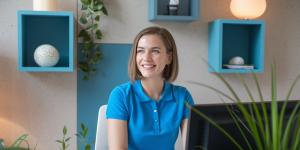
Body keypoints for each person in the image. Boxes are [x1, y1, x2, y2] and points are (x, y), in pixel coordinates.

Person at [106, 26, 194, 150]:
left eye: (155, 51)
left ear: (169, 57)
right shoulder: (121, 95)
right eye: (141, 50)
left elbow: (192, 146)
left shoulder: (182, 96)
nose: (146, 58)